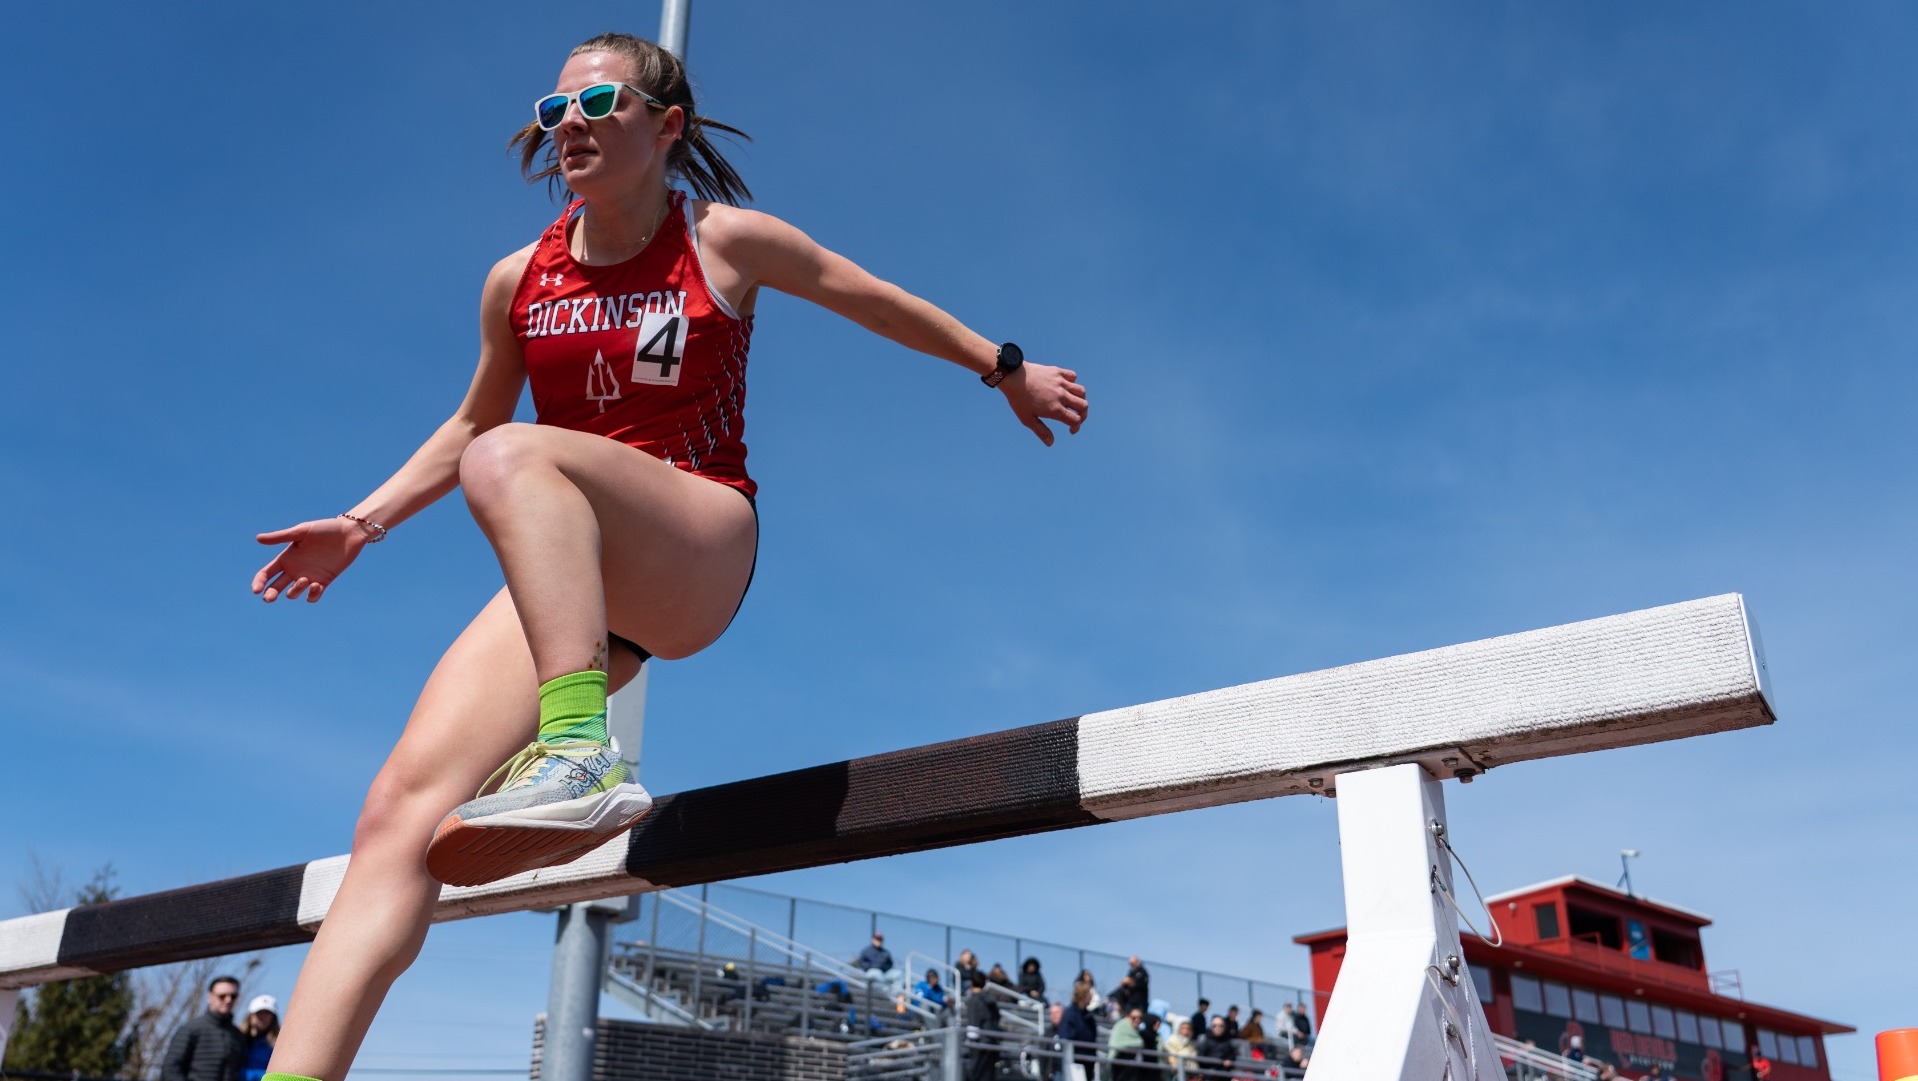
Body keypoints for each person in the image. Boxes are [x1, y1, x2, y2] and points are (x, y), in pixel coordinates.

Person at [249, 31, 1086, 1081]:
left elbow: (865, 292)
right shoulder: (518, 279)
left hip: (698, 539)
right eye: (555, 114)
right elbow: (469, 425)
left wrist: (1002, 366)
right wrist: (360, 523)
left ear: (666, 125)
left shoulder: (723, 240)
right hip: (580, 585)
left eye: (598, 103)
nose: (571, 128)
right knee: (395, 816)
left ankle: (578, 750)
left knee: (515, 461)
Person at [162, 976, 246, 1081]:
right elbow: (170, 1069)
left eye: (233, 996)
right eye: (222, 996)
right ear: (210, 997)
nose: (228, 1000)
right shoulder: (191, 1029)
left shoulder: (237, 1035)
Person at [1056, 982, 1100, 1081]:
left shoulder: (1089, 1017)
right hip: (1075, 1064)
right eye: (1089, 994)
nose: (1091, 997)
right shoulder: (1070, 1014)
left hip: (1088, 1063)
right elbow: (1066, 1039)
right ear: (1083, 995)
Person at [963, 971, 1002, 1081]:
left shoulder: (974, 1000)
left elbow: (973, 1026)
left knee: (974, 1075)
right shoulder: (991, 1000)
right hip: (992, 1042)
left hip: (980, 1045)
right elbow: (997, 1018)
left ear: (971, 983)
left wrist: (971, 1044)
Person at [241, 997, 279, 1081]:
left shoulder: (278, 1044)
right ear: (251, 1016)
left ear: (273, 1018)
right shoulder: (238, 1039)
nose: (263, 1017)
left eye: (267, 1013)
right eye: (259, 1013)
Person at [1107, 1007, 1145, 1081]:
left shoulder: (1140, 1032)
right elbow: (1116, 1044)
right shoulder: (1121, 1027)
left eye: (1140, 1018)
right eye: (1134, 1017)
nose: (1137, 1020)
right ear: (1127, 1017)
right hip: (1120, 1068)